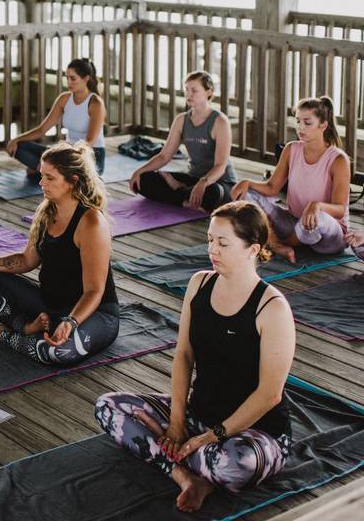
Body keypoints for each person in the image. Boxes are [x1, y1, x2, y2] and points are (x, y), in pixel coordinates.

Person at [95, 201, 294, 513]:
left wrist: (206, 439)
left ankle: (173, 452)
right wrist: (176, 423)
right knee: (107, 406)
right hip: (197, 413)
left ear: (253, 249)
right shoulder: (199, 283)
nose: (212, 250)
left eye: (223, 243)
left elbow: (269, 395)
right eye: (210, 240)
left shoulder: (272, 308)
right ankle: (184, 476)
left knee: (235, 465)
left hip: (253, 433)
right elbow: (184, 355)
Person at [0, 142, 120, 365]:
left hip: (94, 314)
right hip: (49, 307)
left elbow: (94, 291)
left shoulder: (91, 222)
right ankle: (28, 328)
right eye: (42, 176)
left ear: (73, 181)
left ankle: (1, 334)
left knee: (61, 353)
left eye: (50, 178)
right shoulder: (46, 212)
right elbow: (27, 260)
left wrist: (70, 322)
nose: (41, 183)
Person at [230, 97, 350, 262]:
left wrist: (317, 206)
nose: (300, 127)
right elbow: (272, 187)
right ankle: (278, 246)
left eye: (307, 123)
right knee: (246, 196)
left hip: (328, 236)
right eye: (298, 121)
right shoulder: (291, 149)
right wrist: (247, 182)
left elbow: (340, 210)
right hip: (294, 223)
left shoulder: (338, 160)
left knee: (318, 218)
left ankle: (281, 243)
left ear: (323, 125)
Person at [129, 71, 237, 212]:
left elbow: (220, 165)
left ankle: (180, 193)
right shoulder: (181, 120)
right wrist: (139, 171)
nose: (189, 94)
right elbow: (164, 156)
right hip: (193, 177)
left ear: (208, 92)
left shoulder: (220, 122)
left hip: (219, 182)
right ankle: (185, 199)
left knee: (213, 194)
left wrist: (202, 183)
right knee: (143, 180)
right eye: (187, 90)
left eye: (194, 90)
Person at [5, 58, 107, 176]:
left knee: (65, 166)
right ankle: (50, 171)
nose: (69, 82)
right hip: (66, 153)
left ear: (86, 79)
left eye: (73, 78)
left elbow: (89, 143)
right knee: (20, 147)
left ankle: (46, 170)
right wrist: (15, 140)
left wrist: (63, 156)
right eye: (67, 77)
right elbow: (42, 129)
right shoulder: (64, 99)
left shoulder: (95, 104)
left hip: (90, 157)